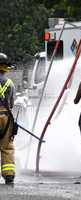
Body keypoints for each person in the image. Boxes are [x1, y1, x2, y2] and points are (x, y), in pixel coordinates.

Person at [0, 53, 16, 185]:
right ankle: (9, 175)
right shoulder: (10, 83)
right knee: (7, 147)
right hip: (6, 117)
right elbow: (11, 104)